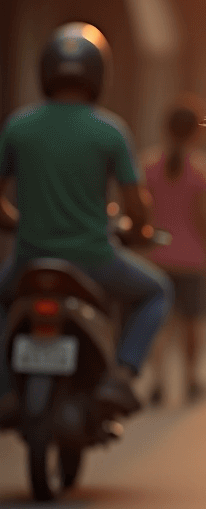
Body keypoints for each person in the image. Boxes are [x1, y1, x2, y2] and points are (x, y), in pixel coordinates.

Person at [0, 23, 172, 426]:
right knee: (157, 291)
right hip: (95, 258)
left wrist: (16, 221)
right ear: (99, 74)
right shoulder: (110, 131)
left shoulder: (18, 127)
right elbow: (136, 205)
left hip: (29, 259)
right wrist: (140, 229)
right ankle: (121, 375)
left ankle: (6, 391)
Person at [143, 99, 206, 404]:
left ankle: (158, 381)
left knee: (161, 323)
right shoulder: (202, 170)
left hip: (157, 257)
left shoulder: (148, 165)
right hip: (191, 258)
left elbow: (143, 214)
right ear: (195, 134)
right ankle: (190, 380)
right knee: (192, 322)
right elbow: (204, 218)